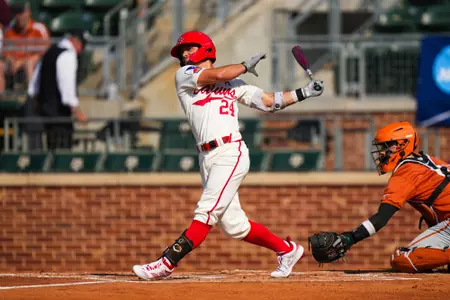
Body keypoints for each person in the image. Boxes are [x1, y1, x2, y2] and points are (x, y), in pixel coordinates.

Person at [132, 31, 324, 280]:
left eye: (189, 48)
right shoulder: (185, 76)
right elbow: (218, 74)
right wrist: (244, 66)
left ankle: (166, 263)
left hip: (230, 152)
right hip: (206, 156)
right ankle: (286, 250)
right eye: (182, 51)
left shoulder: (234, 84)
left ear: (205, 48)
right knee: (235, 225)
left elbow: (268, 102)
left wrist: (304, 93)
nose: (184, 54)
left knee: (206, 211)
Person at [308, 121, 450, 273]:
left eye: (386, 146)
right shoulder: (429, 160)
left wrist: (350, 238)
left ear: (402, 145)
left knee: (402, 259)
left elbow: (381, 218)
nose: (382, 152)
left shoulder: (405, 172)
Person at [27, 29, 89, 150]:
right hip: (59, 112)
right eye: (82, 45)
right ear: (74, 41)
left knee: (51, 148)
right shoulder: (68, 55)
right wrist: (77, 111)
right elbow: (67, 87)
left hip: (44, 109)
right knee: (62, 153)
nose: (81, 50)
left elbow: (34, 82)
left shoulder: (50, 50)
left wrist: (35, 101)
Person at [0, 2, 49, 94]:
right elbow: (6, 52)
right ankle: (2, 98)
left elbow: (45, 52)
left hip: (34, 63)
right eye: (16, 13)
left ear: (28, 12)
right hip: (15, 63)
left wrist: (22, 61)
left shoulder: (38, 28)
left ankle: (31, 98)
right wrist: (11, 59)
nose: (19, 17)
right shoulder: (9, 30)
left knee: (29, 63)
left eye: (21, 13)